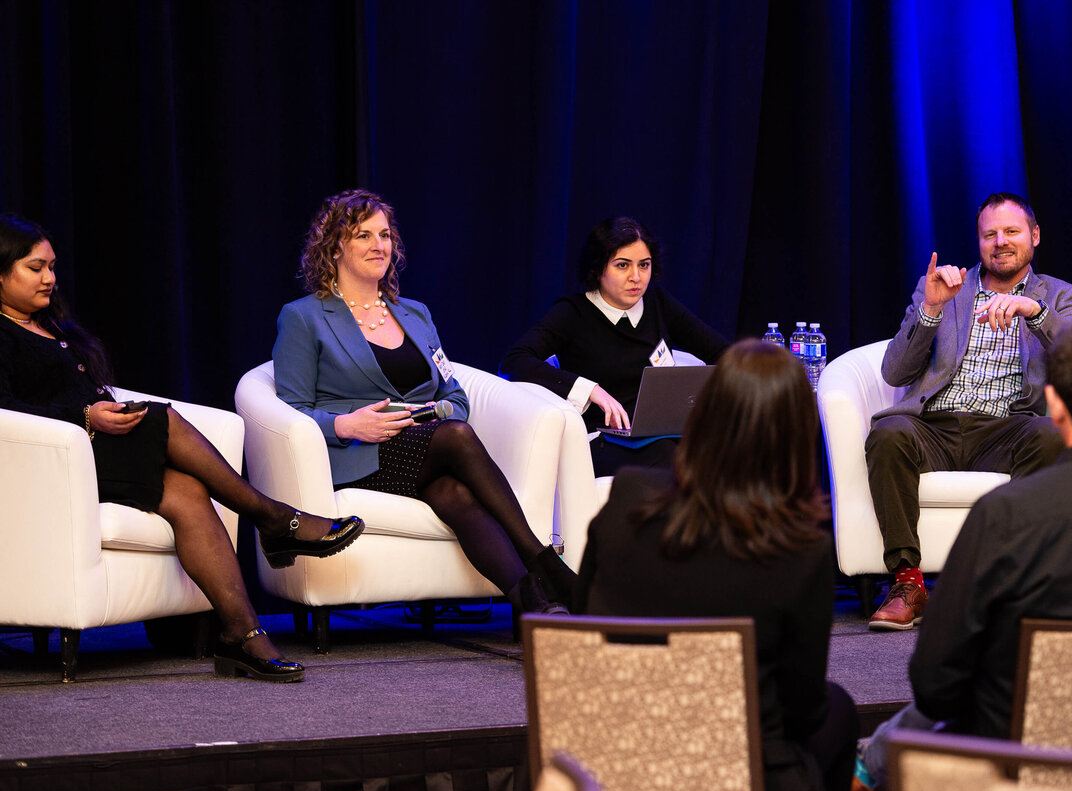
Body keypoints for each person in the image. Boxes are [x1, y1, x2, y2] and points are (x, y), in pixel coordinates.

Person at [0, 213, 365, 683]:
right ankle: (273, 518)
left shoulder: (52, 326)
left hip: (94, 456)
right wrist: (85, 417)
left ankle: (243, 635)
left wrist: (105, 410)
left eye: (52, 266)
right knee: (163, 417)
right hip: (49, 467)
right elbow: (6, 407)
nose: (50, 278)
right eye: (35, 268)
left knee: (190, 490)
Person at [851, 313, 1072, 791]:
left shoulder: (1002, 519)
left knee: (895, 747)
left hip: (1022, 770)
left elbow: (936, 685)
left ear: (1053, 404)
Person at [272, 189, 574, 616]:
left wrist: (427, 415)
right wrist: (346, 425)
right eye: (363, 236)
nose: (379, 245)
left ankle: (532, 607)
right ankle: (547, 564)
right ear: (335, 246)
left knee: (454, 491)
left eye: (385, 235)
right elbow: (290, 411)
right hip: (356, 456)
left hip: (423, 448)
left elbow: (455, 397)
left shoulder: (415, 314)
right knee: (455, 437)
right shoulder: (304, 317)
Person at [577, 340, 857, 791]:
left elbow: (583, 618)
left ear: (705, 413)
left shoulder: (628, 494)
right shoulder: (802, 549)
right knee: (839, 712)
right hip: (740, 770)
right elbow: (801, 709)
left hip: (612, 750)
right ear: (796, 432)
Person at [865, 192, 1072, 631]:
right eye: (990, 234)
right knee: (888, 434)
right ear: (979, 241)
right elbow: (894, 372)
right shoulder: (949, 288)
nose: (1000, 241)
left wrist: (1035, 313)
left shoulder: (1057, 295)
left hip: (1008, 429)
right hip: (935, 427)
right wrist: (930, 309)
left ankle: (1007, 583)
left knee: (1051, 434)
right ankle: (908, 583)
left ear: (1034, 236)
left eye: (1011, 231)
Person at [499, 216, 728, 477]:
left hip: (662, 432)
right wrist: (590, 389)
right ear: (598, 269)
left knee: (727, 450)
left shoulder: (658, 304)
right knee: (670, 459)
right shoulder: (573, 313)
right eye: (622, 265)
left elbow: (722, 352)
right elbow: (513, 362)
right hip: (601, 440)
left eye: (644, 265)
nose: (636, 277)